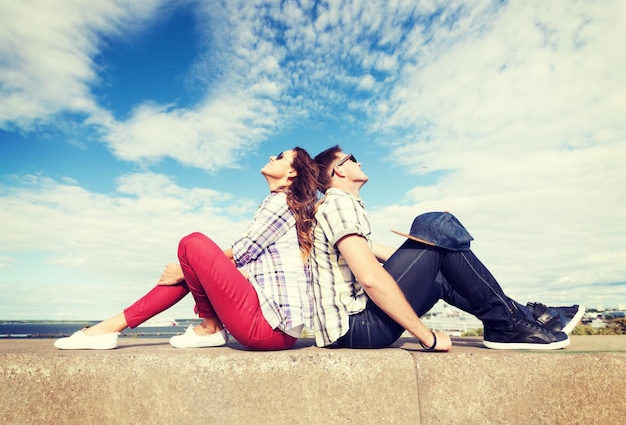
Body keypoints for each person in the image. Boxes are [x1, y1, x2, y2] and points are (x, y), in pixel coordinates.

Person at [310, 145, 583, 351]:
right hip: (359, 328)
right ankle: (515, 321)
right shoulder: (339, 204)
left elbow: (386, 258)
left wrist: (440, 248)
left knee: (439, 253)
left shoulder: (340, 206)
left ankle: (517, 319)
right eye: (352, 159)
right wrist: (426, 337)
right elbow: (371, 279)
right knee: (435, 224)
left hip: (354, 328)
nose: (360, 162)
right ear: (339, 170)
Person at [54, 147, 319, 351]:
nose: (273, 156)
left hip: (267, 329)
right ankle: (112, 328)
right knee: (192, 261)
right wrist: (193, 274)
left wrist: (185, 268)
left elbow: (243, 251)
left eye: (281, 156)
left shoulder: (281, 201)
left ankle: (208, 328)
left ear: (292, 172)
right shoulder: (285, 203)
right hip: (275, 330)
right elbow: (250, 267)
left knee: (191, 243)